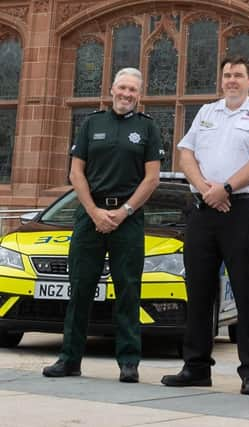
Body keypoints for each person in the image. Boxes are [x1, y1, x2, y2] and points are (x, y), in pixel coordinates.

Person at [161, 55, 249, 395]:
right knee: (198, 290)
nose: (231, 80)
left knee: (247, 291)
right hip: (202, 208)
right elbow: (186, 154)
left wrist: (225, 188)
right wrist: (205, 188)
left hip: (239, 209)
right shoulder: (207, 112)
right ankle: (196, 366)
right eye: (227, 75)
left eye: (238, 76)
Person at [42, 67, 162, 383]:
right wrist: (94, 212)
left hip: (129, 218)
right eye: (122, 88)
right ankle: (69, 359)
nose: (126, 94)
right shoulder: (91, 123)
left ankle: (128, 362)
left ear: (139, 94)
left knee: (128, 291)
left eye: (132, 90)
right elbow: (75, 173)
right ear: (111, 90)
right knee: (80, 288)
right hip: (89, 217)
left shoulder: (148, 129)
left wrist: (123, 212)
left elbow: (152, 178)